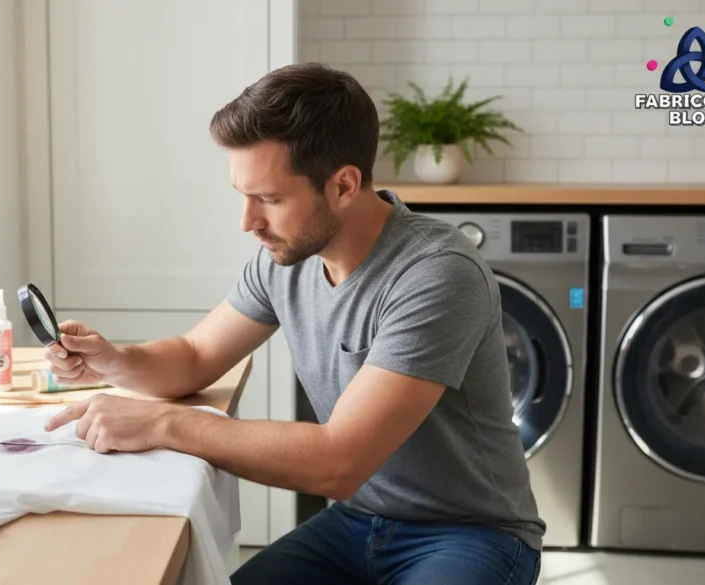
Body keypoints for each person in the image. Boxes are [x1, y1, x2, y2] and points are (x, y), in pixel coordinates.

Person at [42, 62, 545, 584]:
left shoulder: (438, 274)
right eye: (243, 195)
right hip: (354, 523)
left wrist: (165, 423)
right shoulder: (287, 256)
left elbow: (339, 460)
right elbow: (194, 358)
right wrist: (115, 360)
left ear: (345, 185)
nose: (248, 222)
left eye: (270, 199)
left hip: (471, 533)